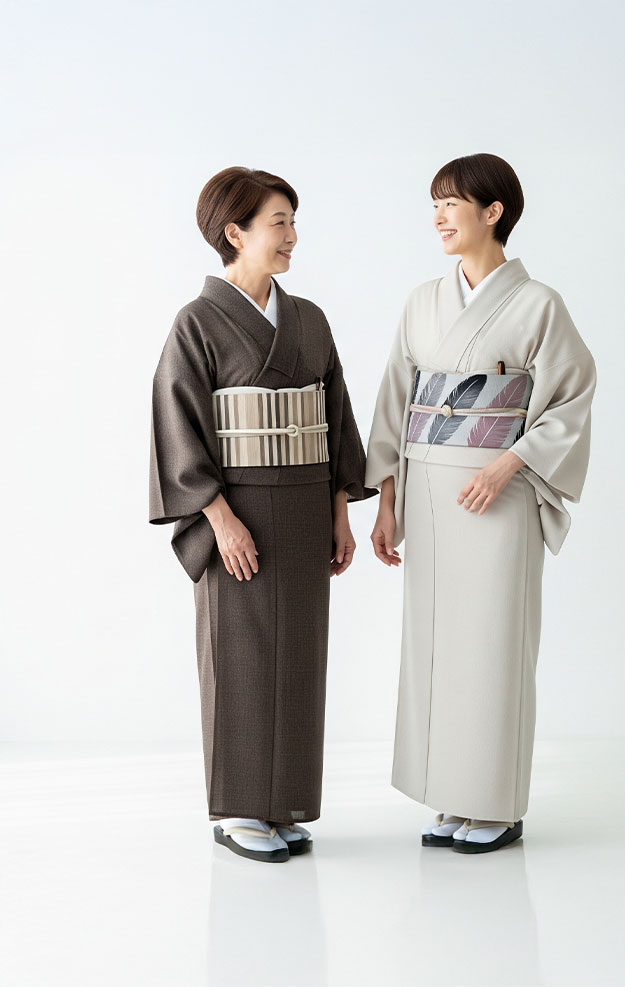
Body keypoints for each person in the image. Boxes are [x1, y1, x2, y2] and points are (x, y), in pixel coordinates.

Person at [366, 153, 597, 854]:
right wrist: (386, 500)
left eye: (452, 203)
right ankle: (448, 793)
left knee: (493, 643)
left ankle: (493, 803)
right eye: (434, 204)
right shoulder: (421, 301)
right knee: (435, 645)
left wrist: (508, 462)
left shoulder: (538, 304)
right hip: (430, 495)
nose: (439, 217)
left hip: (498, 497)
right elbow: (394, 403)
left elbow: (571, 397)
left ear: (493, 212)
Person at [149, 167, 376, 863]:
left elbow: (334, 416)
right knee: (240, 656)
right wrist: (219, 519)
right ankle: (239, 807)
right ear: (235, 232)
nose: (292, 236)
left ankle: (284, 803)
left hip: (306, 505)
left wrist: (339, 510)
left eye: (292, 222)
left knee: (300, 655)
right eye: (279, 222)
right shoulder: (197, 323)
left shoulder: (309, 319)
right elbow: (178, 426)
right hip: (237, 511)